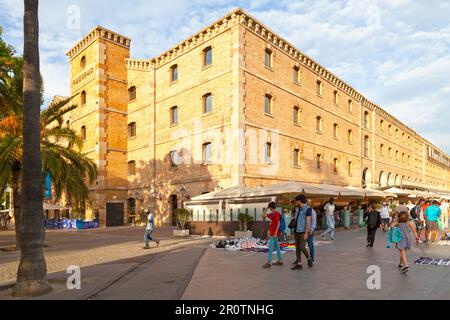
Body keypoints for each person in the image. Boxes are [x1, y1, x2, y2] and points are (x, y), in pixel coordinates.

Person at [292, 195, 314, 270]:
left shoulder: (308, 209)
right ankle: (299, 264)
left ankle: (309, 259)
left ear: (299, 201)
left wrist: (306, 233)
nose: (295, 202)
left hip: (302, 232)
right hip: (296, 231)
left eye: (296, 201)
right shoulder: (298, 209)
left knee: (302, 247)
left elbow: (308, 221)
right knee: (297, 248)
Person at [261, 202, 283, 268]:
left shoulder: (276, 214)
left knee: (270, 247)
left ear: (271, 207)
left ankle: (269, 262)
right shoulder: (272, 214)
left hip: (274, 233)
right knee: (277, 247)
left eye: (269, 208)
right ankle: (280, 260)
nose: (269, 209)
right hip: (273, 233)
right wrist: (267, 208)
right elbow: (262, 215)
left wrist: (276, 233)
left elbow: (278, 223)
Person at [306, 199, 317, 263]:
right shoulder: (305, 210)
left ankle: (312, 259)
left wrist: (312, 229)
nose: (308, 203)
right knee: (302, 246)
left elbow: (314, 221)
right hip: (304, 230)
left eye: (309, 202)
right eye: (307, 202)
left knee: (310, 245)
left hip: (310, 230)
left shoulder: (312, 211)